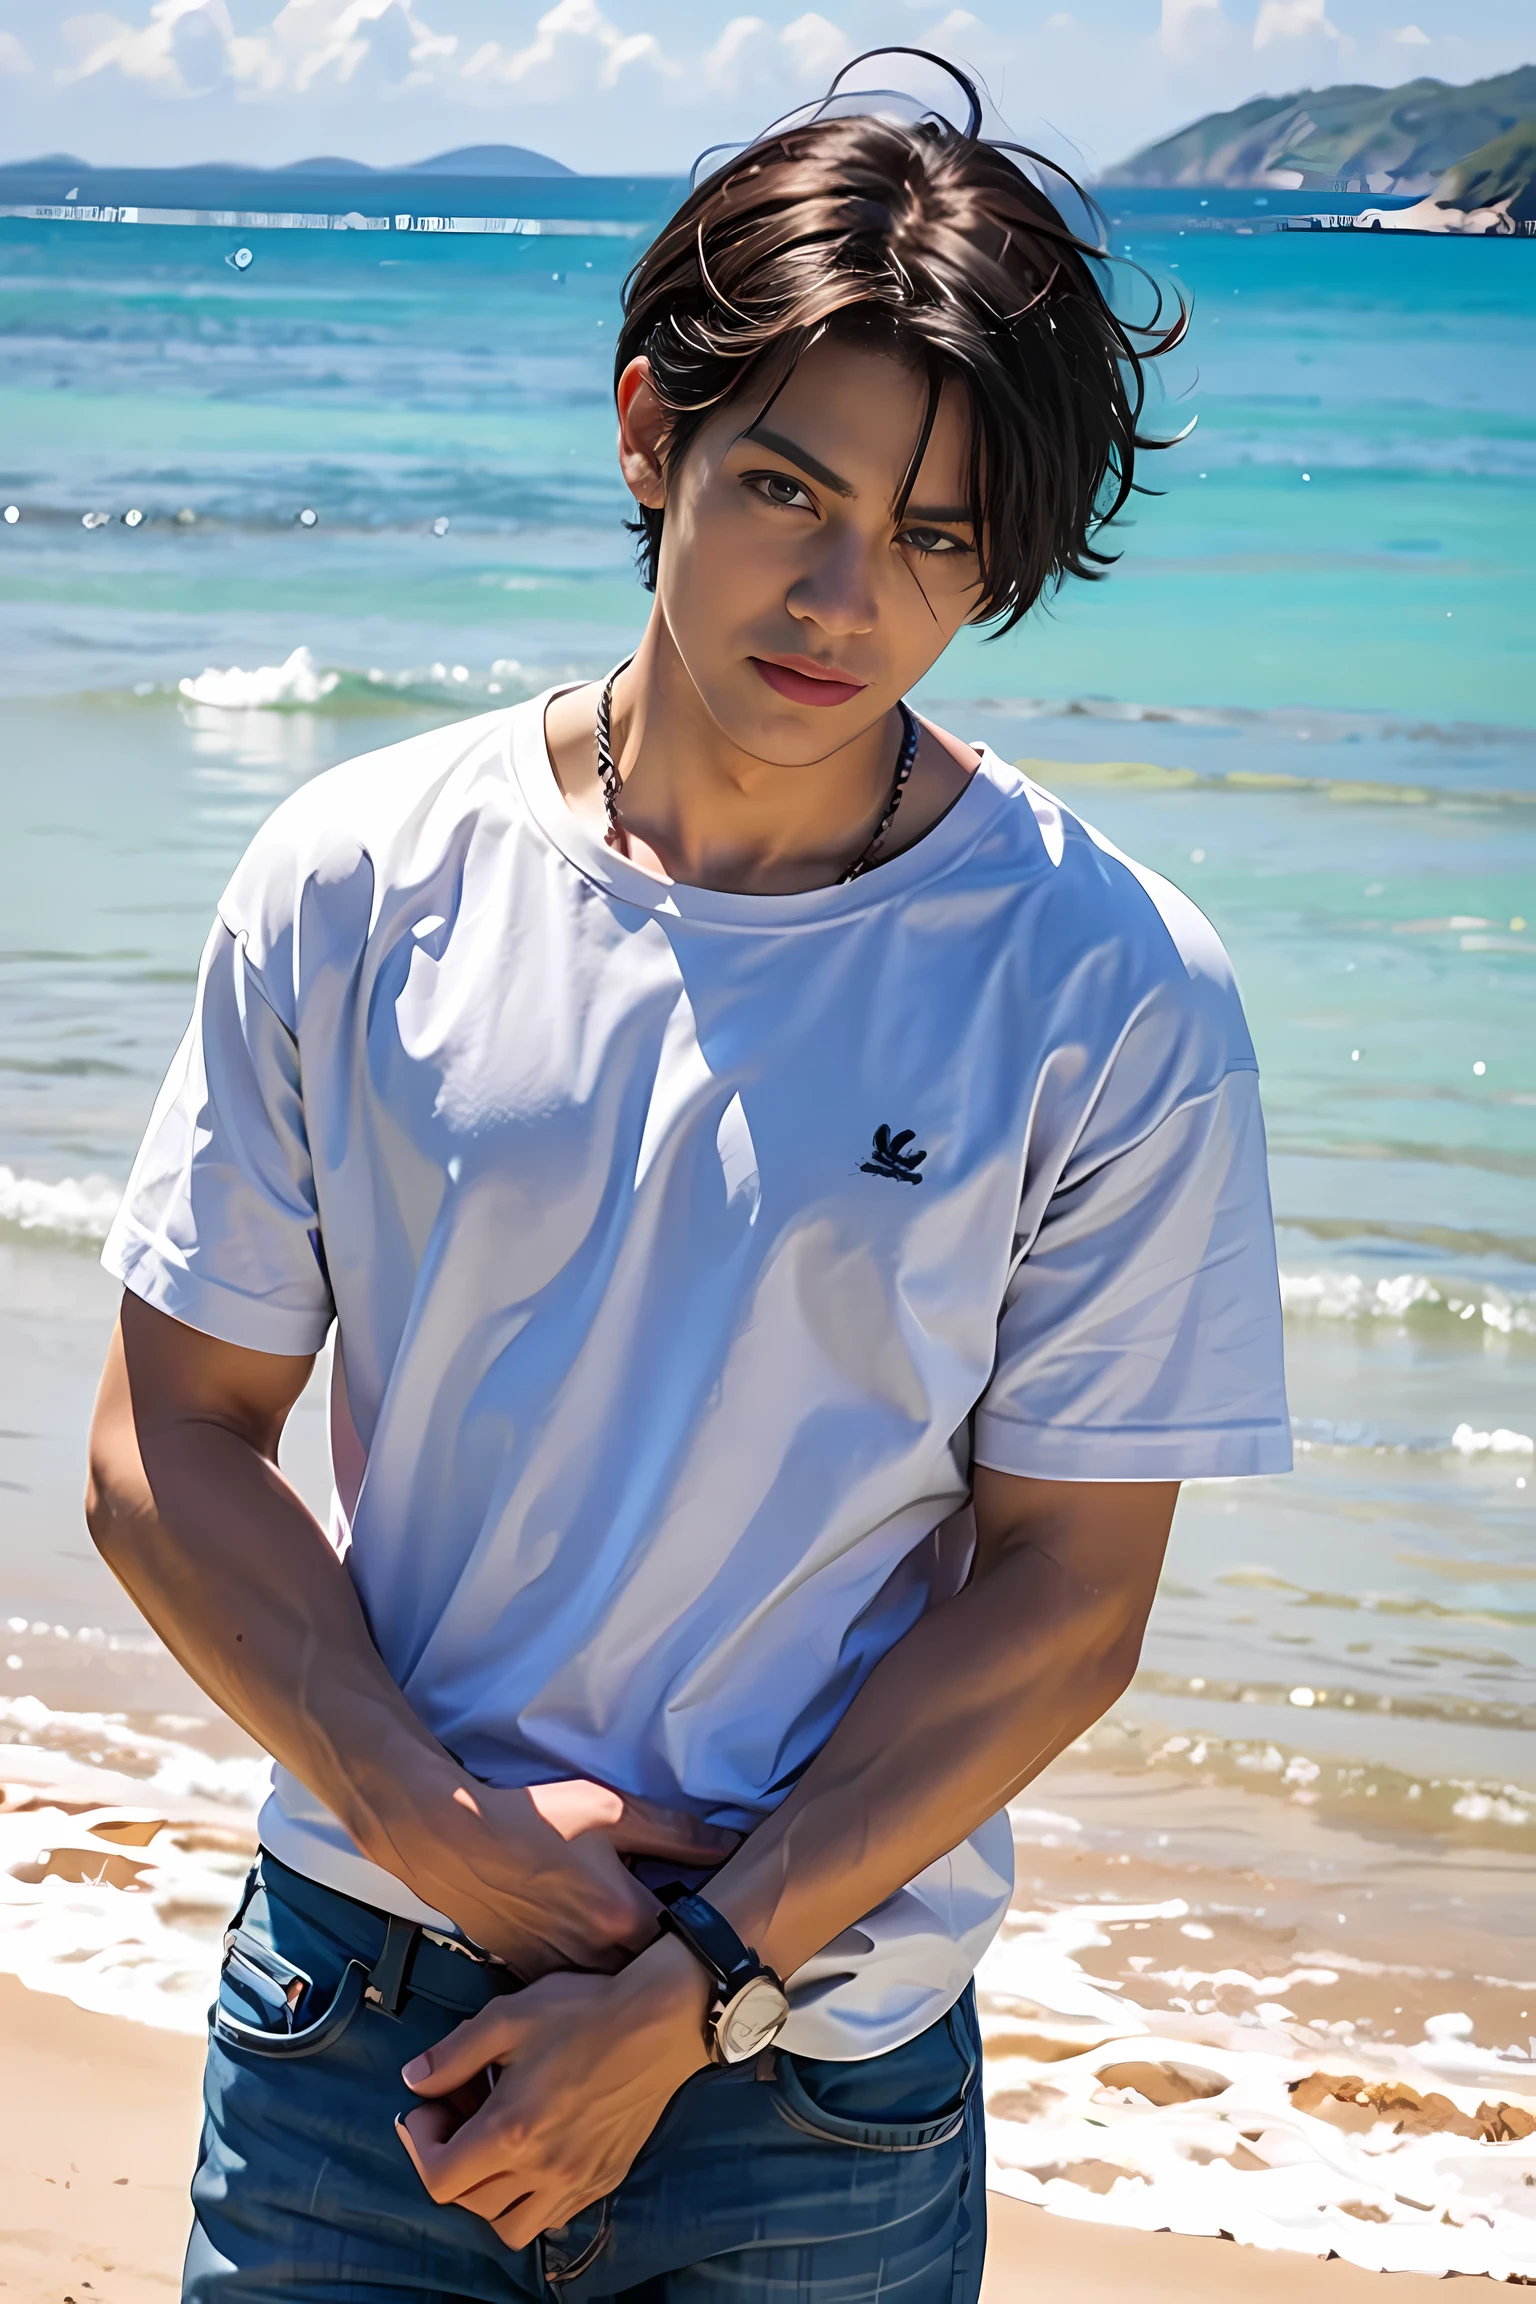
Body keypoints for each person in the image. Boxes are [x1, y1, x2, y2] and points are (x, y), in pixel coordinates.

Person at [85, 53, 1290, 2304]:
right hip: (365, 2022)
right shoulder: (365, 875)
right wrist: (445, 1833)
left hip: (812, 2090)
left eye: (939, 540)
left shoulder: (1110, 984)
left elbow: (1069, 1594)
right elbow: (166, 1446)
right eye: (785, 488)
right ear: (652, 433)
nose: (846, 597)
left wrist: (690, 1983)